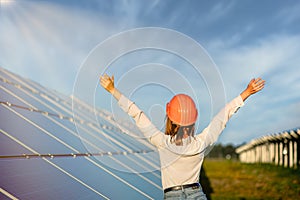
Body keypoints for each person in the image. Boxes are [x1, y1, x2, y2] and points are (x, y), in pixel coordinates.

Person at [100, 74, 265, 200]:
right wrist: (247, 92)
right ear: (194, 119)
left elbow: (137, 114)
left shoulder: (161, 142)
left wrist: (113, 90)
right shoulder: (201, 142)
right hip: (197, 194)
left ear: (169, 117)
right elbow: (223, 116)